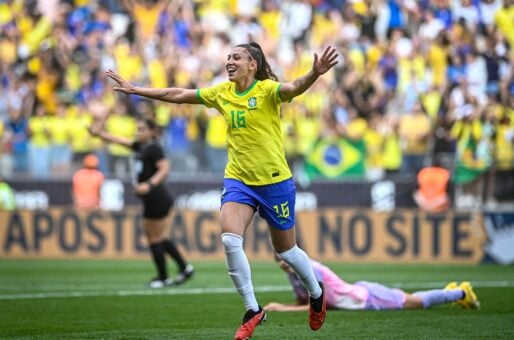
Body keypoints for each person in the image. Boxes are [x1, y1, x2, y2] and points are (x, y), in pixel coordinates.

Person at [104, 42, 338, 340]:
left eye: (236, 57)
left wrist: (314, 73)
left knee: (287, 252)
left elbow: (293, 88)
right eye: (228, 57)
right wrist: (136, 89)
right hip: (239, 180)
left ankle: (316, 293)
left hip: (275, 182)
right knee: (229, 240)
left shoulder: (267, 90)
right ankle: (253, 310)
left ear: (252, 65)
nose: (229, 61)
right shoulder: (221, 93)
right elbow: (177, 95)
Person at [89, 117, 194, 288]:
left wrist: (149, 184)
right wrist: (100, 134)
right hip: (153, 197)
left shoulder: (153, 148)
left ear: (152, 131)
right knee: (158, 237)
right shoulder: (142, 146)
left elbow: (165, 169)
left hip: (156, 196)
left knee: (155, 238)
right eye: (137, 129)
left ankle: (164, 277)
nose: (138, 132)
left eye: (142, 129)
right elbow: (120, 140)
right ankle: (184, 268)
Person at [265, 256, 480, 312]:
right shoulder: (295, 275)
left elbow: (322, 306)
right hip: (358, 297)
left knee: (416, 303)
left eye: (286, 259)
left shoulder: (312, 270)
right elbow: (303, 301)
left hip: (366, 298)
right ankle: (453, 292)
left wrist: (282, 309)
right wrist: (284, 307)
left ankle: (461, 293)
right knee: (413, 300)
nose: (284, 264)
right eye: (280, 262)